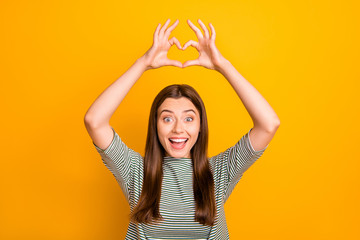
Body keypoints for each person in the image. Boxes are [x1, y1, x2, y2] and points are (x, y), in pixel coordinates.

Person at [84, 18, 280, 240]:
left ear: (200, 127)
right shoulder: (136, 172)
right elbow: (94, 120)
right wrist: (144, 63)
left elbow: (269, 124)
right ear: (155, 125)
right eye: (167, 119)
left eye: (188, 119)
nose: (178, 129)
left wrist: (222, 65)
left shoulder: (219, 173)